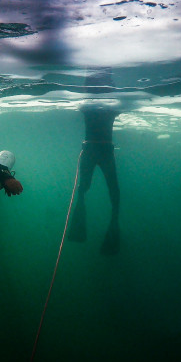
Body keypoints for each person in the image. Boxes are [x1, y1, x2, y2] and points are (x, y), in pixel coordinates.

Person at [68, 69, 121, 254]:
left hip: (90, 150)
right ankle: (113, 229)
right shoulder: (111, 108)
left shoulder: (86, 107)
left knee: (83, 188)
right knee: (114, 192)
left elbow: (85, 99)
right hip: (105, 151)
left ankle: (79, 229)